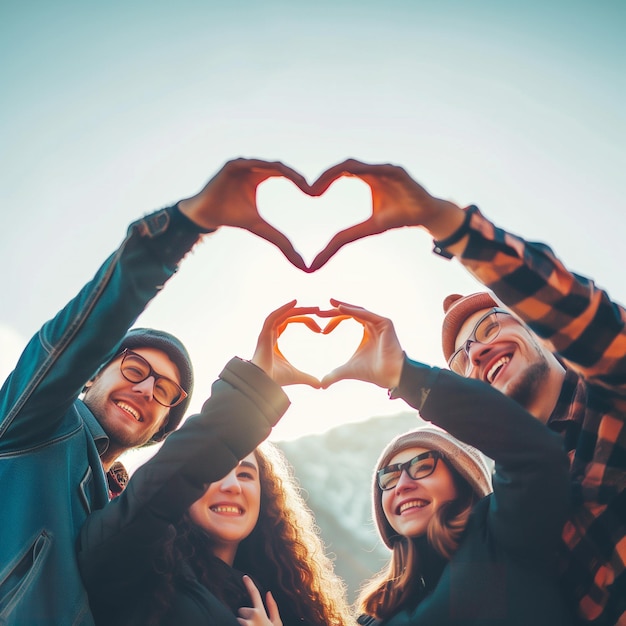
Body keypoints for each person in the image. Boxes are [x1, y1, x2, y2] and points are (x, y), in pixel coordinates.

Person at [306, 159, 626, 626]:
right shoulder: (514, 504)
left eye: (492, 324)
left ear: (540, 331)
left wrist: (448, 223)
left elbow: (590, 325)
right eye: (461, 356)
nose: (477, 352)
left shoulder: (610, 396)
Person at [0, 158, 313, 625]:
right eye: (134, 368)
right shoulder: (40, 424)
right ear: (90, 374)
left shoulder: (124, 518)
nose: (146, 389)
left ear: (164, 426)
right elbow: (76, 334)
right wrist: (184, 227)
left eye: (166, 390)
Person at [78, 302, 351, 626]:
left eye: (247, 475)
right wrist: (253, 390)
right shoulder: (141, 571)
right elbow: (153, 495)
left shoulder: (290, 601)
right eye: (214, 472)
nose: (232, 485)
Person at [316, 300, 574, 626]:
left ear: (462, 479)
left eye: (423, 465)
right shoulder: (375, 617)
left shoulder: (502, 535)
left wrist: (404, 375)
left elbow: (533, 452)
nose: (404, 484)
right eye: (389, 478)